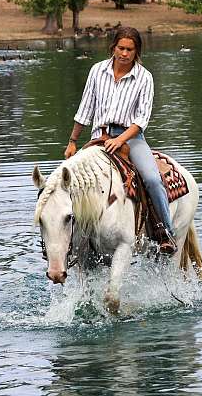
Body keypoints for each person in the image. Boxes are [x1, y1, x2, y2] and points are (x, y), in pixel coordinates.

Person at [64, 26, 176, 254]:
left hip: (131, 138)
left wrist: (120, 139)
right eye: (121, 48)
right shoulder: (97, 71)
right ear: (113, 48)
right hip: (98, 138)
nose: (124, 54)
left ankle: (166, 232)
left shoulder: (145, 78)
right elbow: (85, 110)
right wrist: (73, 141)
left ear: (137, 51)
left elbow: (141, 119)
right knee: (71, 181)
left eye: (130, 49)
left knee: (153, 179)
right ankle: (70, 239)